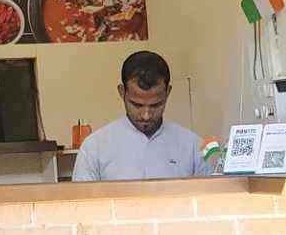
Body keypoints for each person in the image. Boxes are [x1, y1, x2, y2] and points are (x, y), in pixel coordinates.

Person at [72, 50, 206, 183]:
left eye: (155, 105)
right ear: (122, 92)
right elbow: (81, 196)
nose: (146, 115)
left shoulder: (194, 146)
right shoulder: (94, 148)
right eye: (137, 105)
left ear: (168, 92)